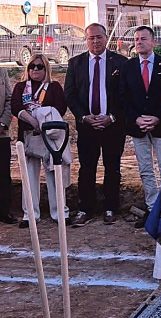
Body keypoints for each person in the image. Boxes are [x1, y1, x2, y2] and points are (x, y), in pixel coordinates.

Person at [64, 23, 127, 227]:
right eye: (91, 38)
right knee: (87, 168)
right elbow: (70, 94)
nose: (96, 41)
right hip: (87, 126)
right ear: (86, 40)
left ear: (106, 38)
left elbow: (125, 94)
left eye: (99, 37)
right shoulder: (75, 63)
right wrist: (84, 117)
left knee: (112, 167)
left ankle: (111, 208)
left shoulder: (120, 62)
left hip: (113, 126)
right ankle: (85, 209)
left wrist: (112, 117)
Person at [119, 25, 161, 228]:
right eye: (136, 39)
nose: (139, 42)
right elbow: (123, 98)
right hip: (138, 127)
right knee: (145, 169)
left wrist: (158, 117)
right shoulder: (127, 66)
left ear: (153, 42)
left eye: (143, 38)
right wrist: (136, 119)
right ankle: (153, 208)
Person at [11, 55, 71, 228]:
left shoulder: (54, 86)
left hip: (49, 137)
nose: (35, 69)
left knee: (54, 174)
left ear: (46, 69)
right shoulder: (21, 87)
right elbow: (16, 107)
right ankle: (30, 214)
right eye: (32, 66)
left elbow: (60, 108)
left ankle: (59, 212)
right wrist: (32, 120)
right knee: (29, 176)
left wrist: (42, 116)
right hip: (28, 135)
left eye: (39, 66)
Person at [0, 67, 13, 224]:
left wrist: (3, 123)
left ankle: (4, 211)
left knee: (3, 174)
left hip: (1, 133)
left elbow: (10, 100)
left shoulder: (2, 73)